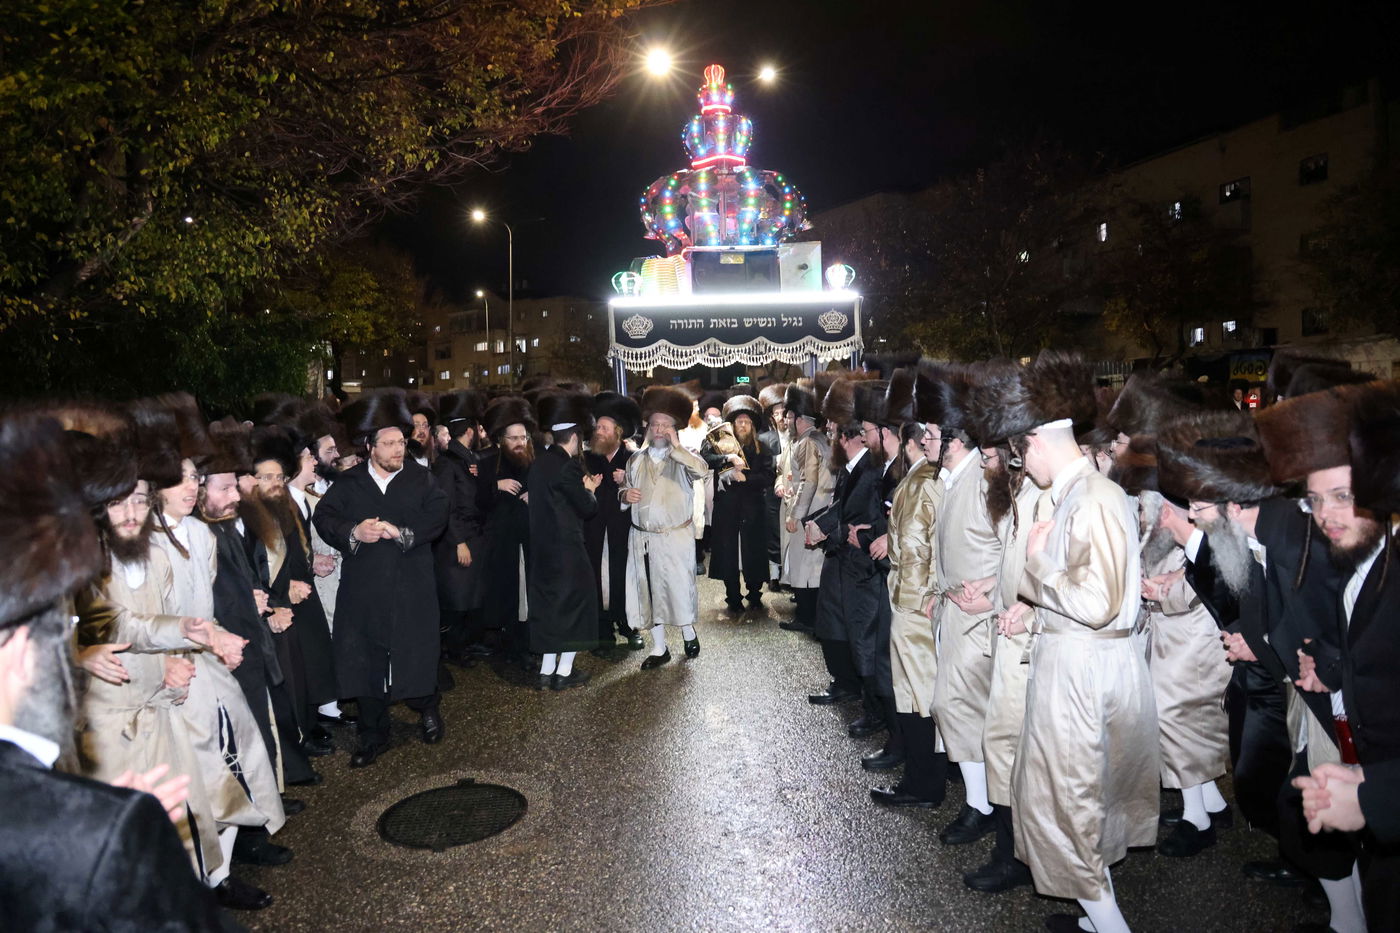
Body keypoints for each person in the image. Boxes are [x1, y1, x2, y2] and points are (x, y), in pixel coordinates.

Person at [0, 412, 233, 931]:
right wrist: (78, 657)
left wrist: (183, 633)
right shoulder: (47, 560)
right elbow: (89, 628)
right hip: (96, 735)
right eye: (114, 502)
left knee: (176, 830)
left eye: (137, 500)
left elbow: (118, 621)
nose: (129, 513)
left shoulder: (116, 551)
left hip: (147, 715)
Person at [988, 350, 1157, 933]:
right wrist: (1035, 617)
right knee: (1073, 802)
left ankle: (1111, 926)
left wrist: (1035, 569)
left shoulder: (1094, 499)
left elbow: (1098, 603)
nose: (1020, 463)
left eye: (1020, 450)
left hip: (1083, 677)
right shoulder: (1077, 496)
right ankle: (1098, 917)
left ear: (1036, 441)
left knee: (1069, 804)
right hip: (1076, 661)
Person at [312, 392, 448, 768]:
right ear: (370, 447)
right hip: (365, 587)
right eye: (388, 444)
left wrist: (401, 531)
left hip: (412, 584)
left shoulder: (422, 479)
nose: (397, 450)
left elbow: (439, 516)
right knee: (366, 658)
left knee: (417, 652)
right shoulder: (350, 482)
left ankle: (428, 710)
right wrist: (354, 531)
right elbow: (323, 518)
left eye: (401, 443)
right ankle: (373, 733)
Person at [198, 417, 322, 791]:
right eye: (241, 481)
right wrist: (267, 606)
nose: (242, 490)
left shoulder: (236, 516)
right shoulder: (207, 528)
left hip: (263, 628)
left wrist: (269, 604)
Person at [928, 364, 1004, 847]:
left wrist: (993, 589)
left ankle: (982, 807)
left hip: (978, 617)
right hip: (954, 612)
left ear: (956, 438)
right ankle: (980, 802)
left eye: (932, 433)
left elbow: (1014, 545)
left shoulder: (983, 478)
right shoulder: (955, 478)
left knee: (958, 707)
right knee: (956, 710)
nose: (922, 441)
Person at [869, 367, 948, 807]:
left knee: (918, 698)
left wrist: (910, 605)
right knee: (922, 696)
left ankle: (922, 785)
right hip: (923, 601)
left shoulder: (918, 484)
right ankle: (927, 778)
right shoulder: (926, 479)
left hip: (914, 605)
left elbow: (916, 551)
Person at [807, 378, 889, 739]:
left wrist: (831, 530)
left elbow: (865, 522)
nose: (828, 432)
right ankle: (853, 690)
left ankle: (876, 713)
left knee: (866, 643)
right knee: (842, 631)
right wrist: (821, 525)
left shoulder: (871, 470)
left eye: (833, 428)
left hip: (864, 570)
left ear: (849, 434)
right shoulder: (855, 466)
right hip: (848, 565)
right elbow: (842, 510)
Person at [621, 386, 710, 668]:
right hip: (643, 539)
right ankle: (659, 648)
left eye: (666, 425)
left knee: (678, 590)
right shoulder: (636, 459)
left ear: (675, 429)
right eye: (655, 424)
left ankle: (687, 631)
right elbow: (624, 490)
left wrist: (678, 447)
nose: (659, 429)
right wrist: (624, 495)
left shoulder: (685, 458)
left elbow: (702, 470)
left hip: (675, 538)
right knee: (648, 594)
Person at [527, 392, 603, 689]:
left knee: (549, 609)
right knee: (575, 607)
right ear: (573, 437)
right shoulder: (568, 466)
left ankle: (547, 671)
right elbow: (586, 508)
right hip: (567, 549)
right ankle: (565, 672)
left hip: (543, 549)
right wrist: (590, 491)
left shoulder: (538, 463)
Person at [476, 396, 537, 667]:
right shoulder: (488, 463)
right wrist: (496, 487)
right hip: (502, 543)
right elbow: (478, 503)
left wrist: (535, 496)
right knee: (509, 596)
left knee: (531, 594)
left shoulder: (536, 461)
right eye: (513, 438)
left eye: (522, 437)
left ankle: (529, 643)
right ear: (501, 439)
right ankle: (512, 647)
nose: (519, 443)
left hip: (531, 540)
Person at [703, 394, 777, 612]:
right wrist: (727, 459)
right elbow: (706, 459)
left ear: (752, 425)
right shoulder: (720, 445)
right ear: (732, 425)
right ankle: (732, 596)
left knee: (754, 552)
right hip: (727, 509)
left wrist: (747, 479)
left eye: (746, 422)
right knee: (728, 554)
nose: (742, 425)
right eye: (738, 422)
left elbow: (769, 477)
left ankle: (755, 593)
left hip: (753, 510)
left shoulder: (762, 447)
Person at [584, 391, 644, 655]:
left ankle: (628, 625)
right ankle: (602, 629)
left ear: (618, 432)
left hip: (623, 530)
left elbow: (645, 496)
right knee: (596, 578)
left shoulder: (632, 460)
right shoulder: (587, 459)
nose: (598, 432)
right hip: (594, 529)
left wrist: (627, 483)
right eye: (597, 427)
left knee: (624, 576)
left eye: (604, 428)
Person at [432, 390, 488, 666]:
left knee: (468, 598)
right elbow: (445, 506)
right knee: (456, 601)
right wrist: (458, 541)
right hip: (459, 541)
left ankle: (462, 646)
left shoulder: (467, 459)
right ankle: (451, 650)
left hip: (473, 536)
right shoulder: (447, 464)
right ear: (469, 431)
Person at [781, 383, 833, 642]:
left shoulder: (806, 442)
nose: (787, 421)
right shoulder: (819, 439)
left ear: (799, 419)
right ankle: (811, 618)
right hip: (820, 509)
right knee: (812, 568)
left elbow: (808, 482)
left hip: (809, 512)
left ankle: (807, 619)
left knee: (805, 568)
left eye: (789, 416)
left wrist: (794, 515)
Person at [758, 383, 789, 590]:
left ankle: (790, 575)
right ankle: (774, 575)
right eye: (776, 414)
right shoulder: (764, 439)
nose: (780, 418)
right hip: (771, 490)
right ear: (771, 417)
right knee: (773, 533)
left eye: (783, 413)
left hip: (793, 490)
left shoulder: (798, 437)